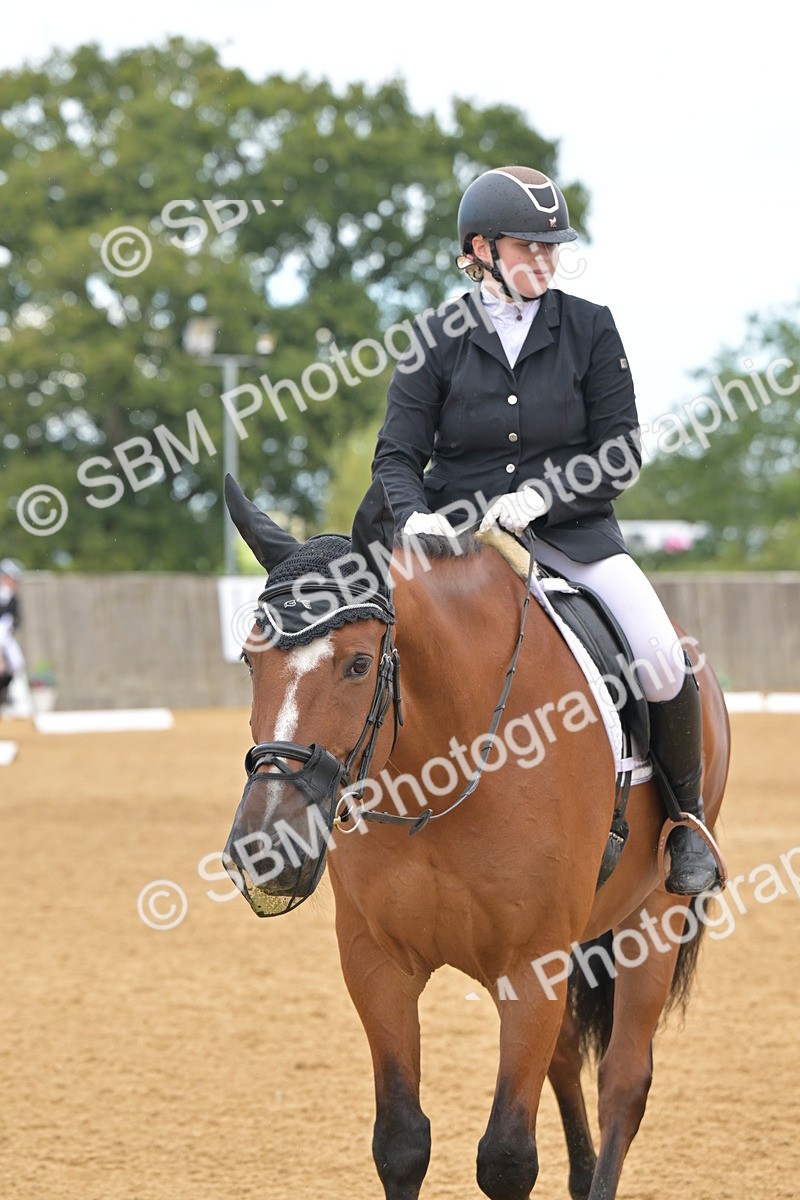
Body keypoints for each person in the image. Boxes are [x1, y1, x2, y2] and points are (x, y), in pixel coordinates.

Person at [371, 164, 719, 896]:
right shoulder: (434, 337)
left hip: (573, 537)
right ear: (481, 250)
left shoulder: (589, 328)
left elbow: (620, 451)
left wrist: (544, 498)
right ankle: (345, 805)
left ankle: (685, 822)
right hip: (458, 544)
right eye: (528, 245)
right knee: (359, 645)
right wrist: (412, 517)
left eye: (551, 247)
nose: (545, 259)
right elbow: (396, 455)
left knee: (662, 657)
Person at [0, 558, 25, 708]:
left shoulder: (13, 598)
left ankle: (5, 693)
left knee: (16, 662)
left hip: (5, 636)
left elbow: (16, 619)